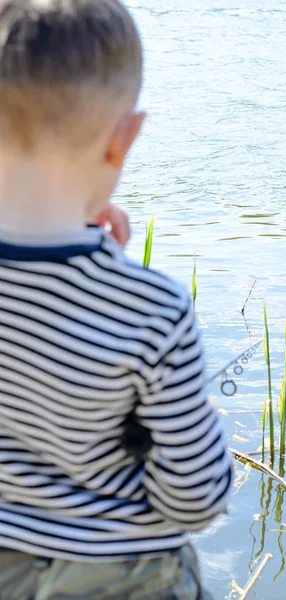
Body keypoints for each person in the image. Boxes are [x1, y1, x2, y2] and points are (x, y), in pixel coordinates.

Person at [0, 1, 233, 598]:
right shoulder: (153, 311)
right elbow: (196, 500)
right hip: (125, 575)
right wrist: (112, 276)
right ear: (123, 138)